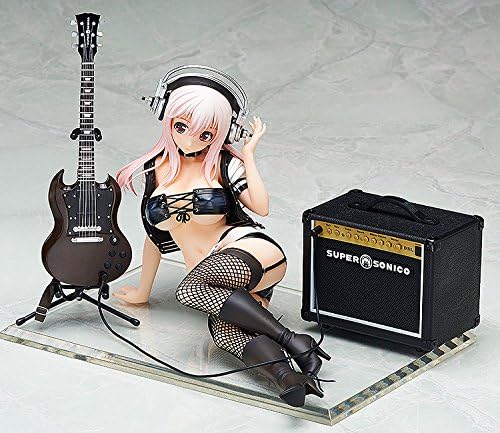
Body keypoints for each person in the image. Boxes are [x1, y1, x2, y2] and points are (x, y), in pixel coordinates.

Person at [113, 74, 330, 407]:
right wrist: (142, 292)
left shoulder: (223, 164)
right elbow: (155, 237)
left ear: (223, 133)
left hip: (249, 252)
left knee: (189, 289)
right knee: (224, 332)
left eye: (206, 133)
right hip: (218, 281)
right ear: (165, 116)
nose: (190, 139)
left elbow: (261, 207)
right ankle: (287, 377)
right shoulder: (156, 169)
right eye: (181, 126)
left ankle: (294, 340)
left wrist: (249, 156)